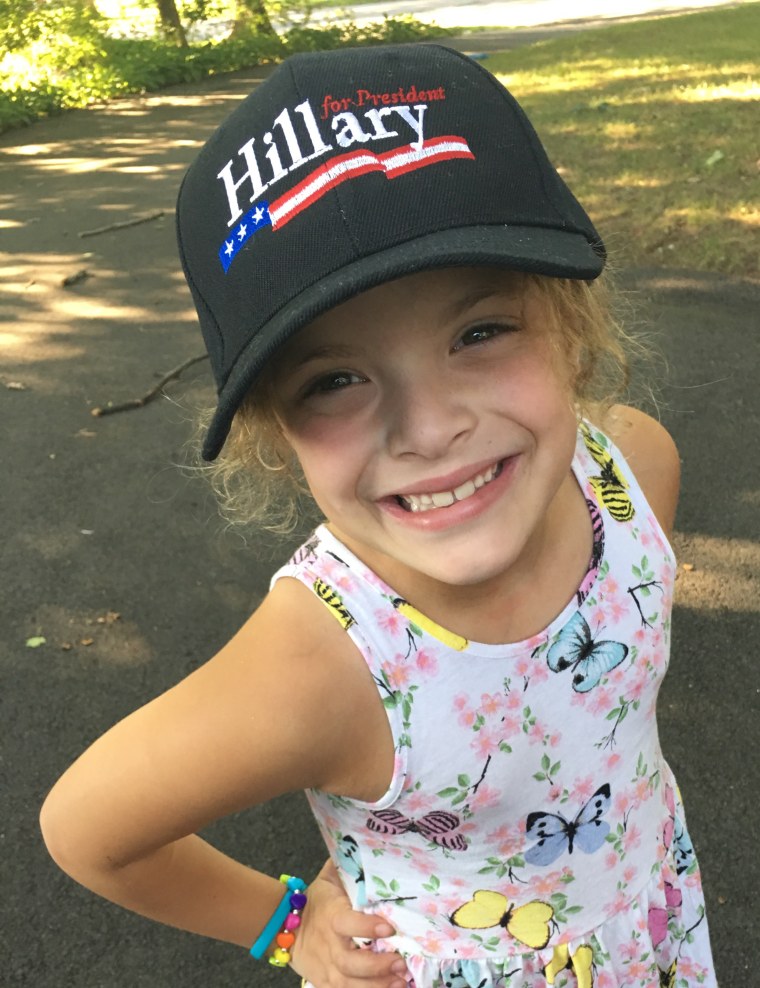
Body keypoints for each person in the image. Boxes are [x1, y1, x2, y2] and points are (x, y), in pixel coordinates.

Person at [40, 43, 717, 988]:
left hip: (649, 923)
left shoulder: (634, 474)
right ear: (276, 433)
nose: (432, 427)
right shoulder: (326, 667)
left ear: (571, 326)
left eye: (478, 331)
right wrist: (285, 924)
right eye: (336, 380)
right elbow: (87, 828)